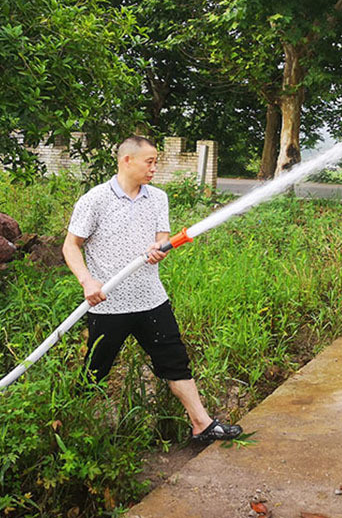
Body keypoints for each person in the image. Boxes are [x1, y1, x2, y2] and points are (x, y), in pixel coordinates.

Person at [62, 135, 242, 444]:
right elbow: (71, 246)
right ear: (127, 160)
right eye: (150, 161)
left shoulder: (158, 198)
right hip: (109, 304)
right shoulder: (95, 199)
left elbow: (162, 239)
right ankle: (68, 433)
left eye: (156, 161)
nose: (154, 168)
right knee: (95, 372)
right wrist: (87, 282)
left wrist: (160, 249)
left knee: (175, 361)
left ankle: (202, 424)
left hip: (151, 299)